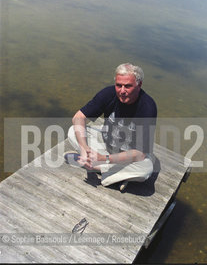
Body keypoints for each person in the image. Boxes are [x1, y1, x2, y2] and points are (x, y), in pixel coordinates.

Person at [66, 63, 157, 191]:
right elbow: (78, 117)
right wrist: (85, 148)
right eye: (119, 85)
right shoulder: (108, 93)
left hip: (128, 157)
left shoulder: (147, 107)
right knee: (72, 131)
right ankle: (114, 173)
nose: (122, 91)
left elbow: (139, 154)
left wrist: (103, 159)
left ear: (139, 85)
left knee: (146, 170)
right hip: (106, 145)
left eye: (128, 86)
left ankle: (95, 167)